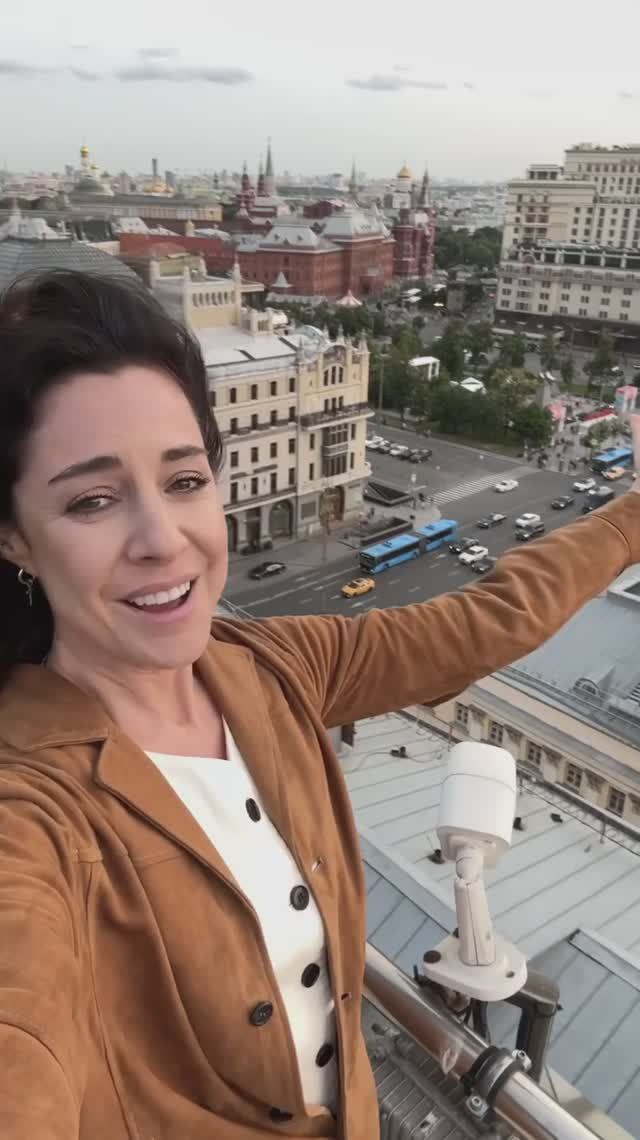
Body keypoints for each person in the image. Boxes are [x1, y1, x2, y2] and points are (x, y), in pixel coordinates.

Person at [0, 270, 639, 1140]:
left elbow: (485, 622)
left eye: (184, 481)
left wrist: (632, 518)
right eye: (92, 501)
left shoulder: (271, 667)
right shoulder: (31, 801)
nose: (162, 540)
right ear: (14, 535)